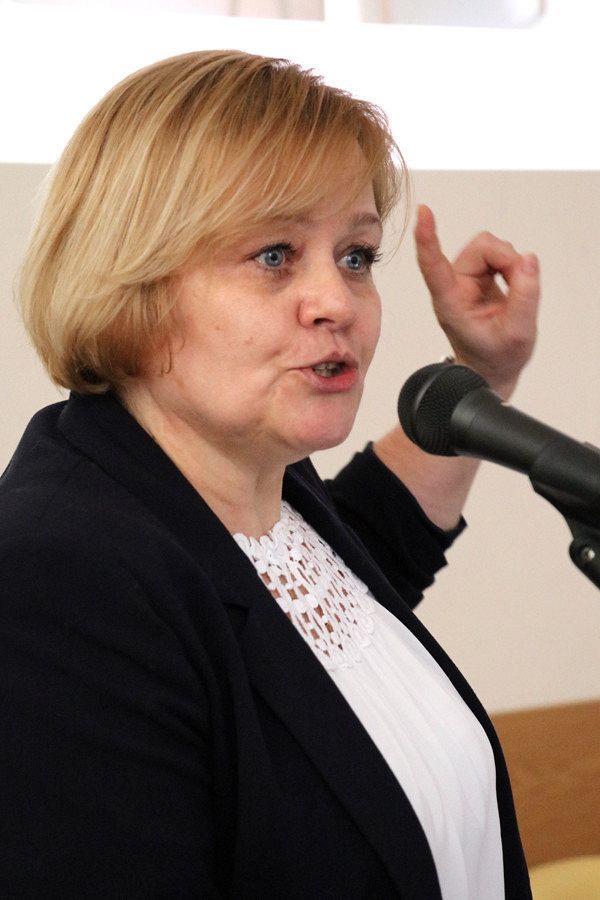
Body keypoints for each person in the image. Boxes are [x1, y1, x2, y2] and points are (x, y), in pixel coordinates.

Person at [0, 50, 539, 898]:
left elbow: (353, 577)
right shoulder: (54, 577)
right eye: (275, 255)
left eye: (356, 255)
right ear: (132, 279)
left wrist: (480, 375)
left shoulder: (268, 501)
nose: (337, 301)